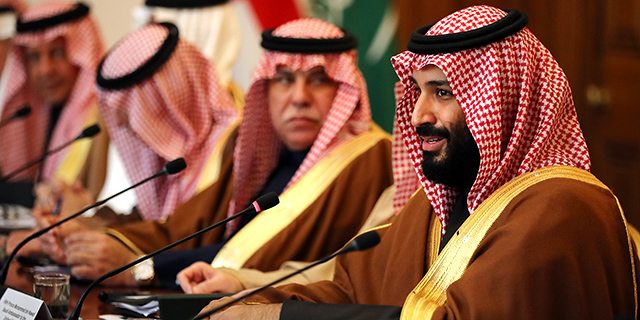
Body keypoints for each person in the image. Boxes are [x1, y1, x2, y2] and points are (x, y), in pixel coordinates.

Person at [199, 6, 639, 320]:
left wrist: (279, 317)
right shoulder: (435, 204)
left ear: (503, 103)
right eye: (418, 91)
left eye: (443, 93)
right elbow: (351, 291)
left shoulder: (563, 204)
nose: (417, 116)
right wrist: (255, 301)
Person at [44, 18, 394, 288]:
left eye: (318, 79)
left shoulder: (366, 159)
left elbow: (259, 256)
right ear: (266, 89)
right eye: (284, 79)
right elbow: (189, 230)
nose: (299, 97)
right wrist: (83, 241)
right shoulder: (265, 153)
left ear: (344, 89)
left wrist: (140, 268)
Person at [35, 21, 240, 269]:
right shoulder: (176, 153)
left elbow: (181, 236)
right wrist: (78, 224)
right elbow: (149, 222)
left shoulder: (232, 148)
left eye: (130, 107)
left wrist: (104, 240)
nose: (120, 121)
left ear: (167, 97)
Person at [1, 1, 107, 255]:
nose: (45, 70)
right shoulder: (30, 114)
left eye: (58, 53)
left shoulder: (103, 119)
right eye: (34, 57)